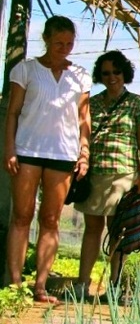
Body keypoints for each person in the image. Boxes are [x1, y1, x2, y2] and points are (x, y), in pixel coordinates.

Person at [4, 15, 92, 305]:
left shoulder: (80, 75)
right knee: (21, 215)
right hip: (27, 149)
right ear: (46, 40)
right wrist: (9, 149)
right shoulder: (25, 70)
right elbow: (13, 112)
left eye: (69, 43)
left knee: (51, 219)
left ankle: (41, 286)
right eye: (58, 43)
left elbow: (83, 118)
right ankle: (15, 284)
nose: (64, 48)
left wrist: (84, 151)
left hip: (63, 153)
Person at [73, 50, 140, 297]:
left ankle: (114, 286)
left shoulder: (138, 103)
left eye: (116, 72)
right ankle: (82, 284)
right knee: (92, 229)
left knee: (117, 231)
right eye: (106, 73)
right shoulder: (92, 103)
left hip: (124, 175)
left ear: (124, 73)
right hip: (95, 174)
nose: (111, 77)